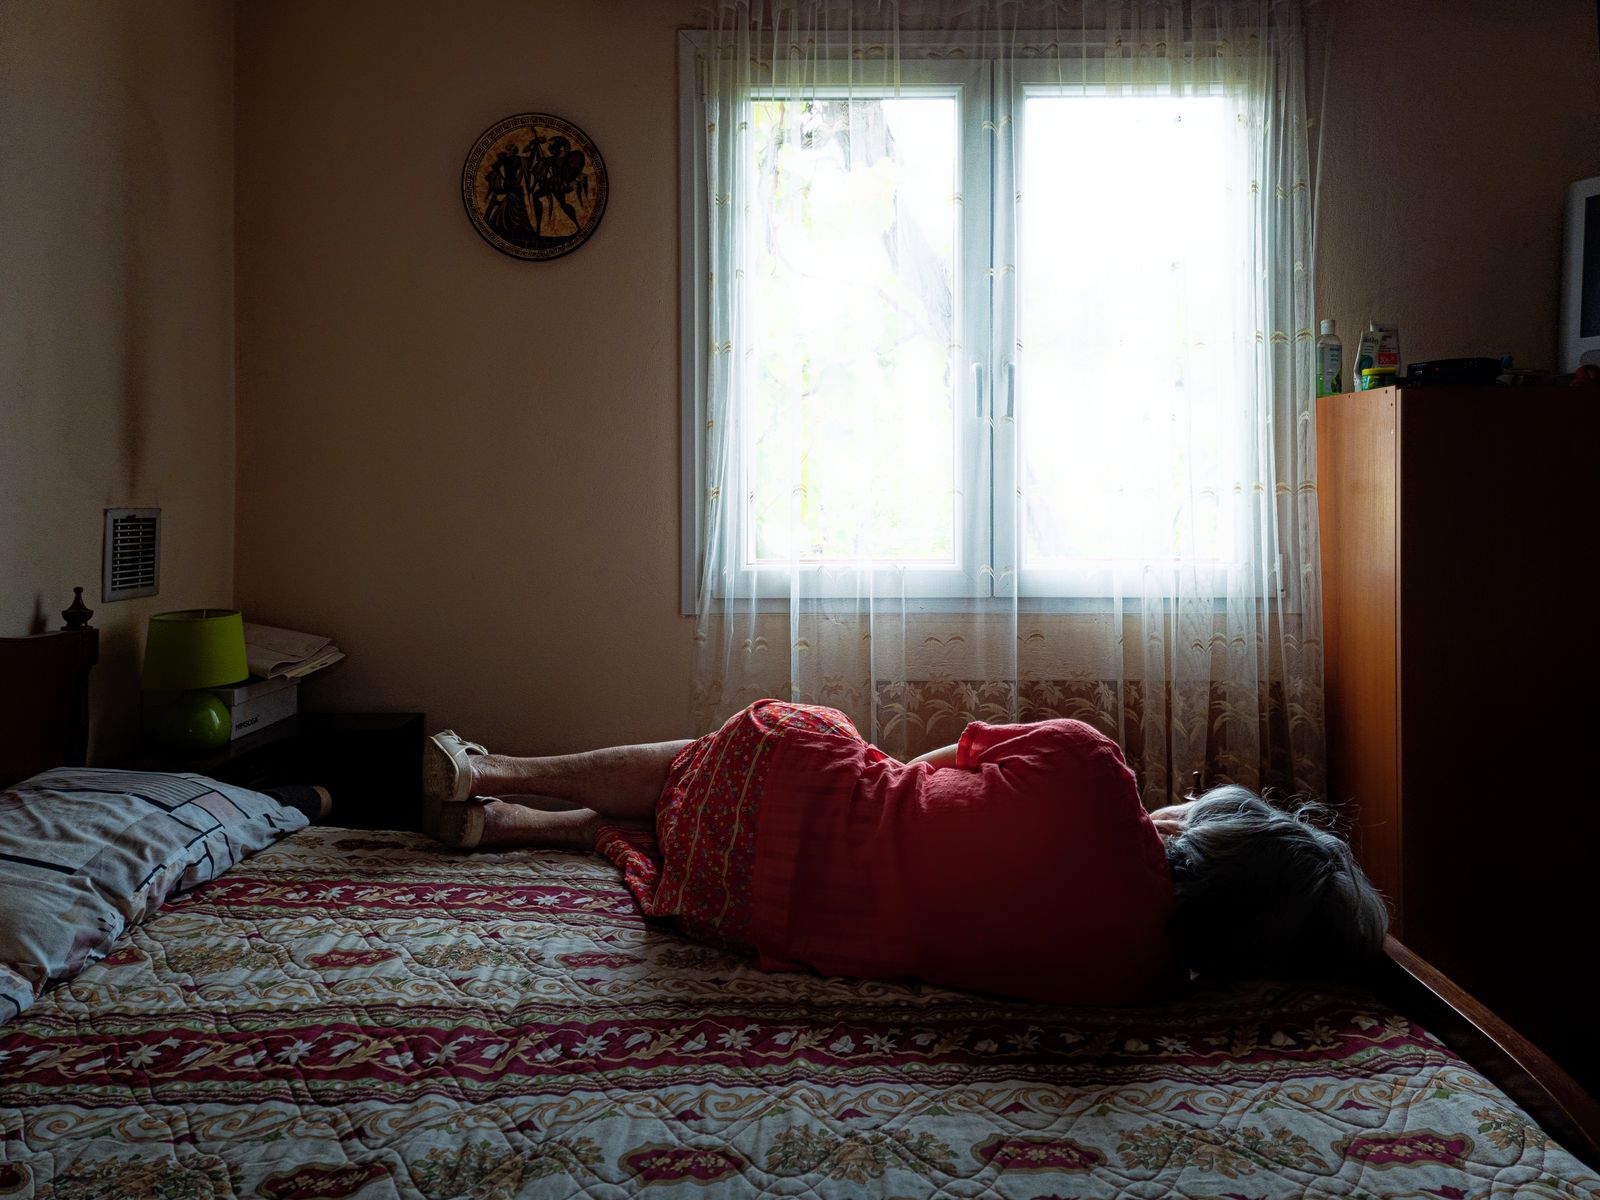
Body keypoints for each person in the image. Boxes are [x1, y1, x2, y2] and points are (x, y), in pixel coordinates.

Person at [423, 700, 1387, 1005]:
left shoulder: (1096, 769)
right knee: (710, 823)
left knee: (746, 750)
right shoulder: (1134, 980)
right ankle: (516, 827)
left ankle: (496, 769)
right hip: (742, 912)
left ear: (1214, 831)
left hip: (762, 802)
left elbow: (927, 762)